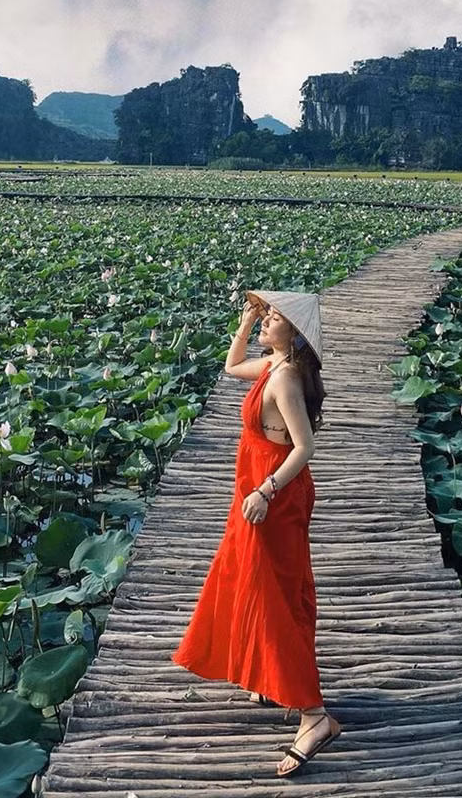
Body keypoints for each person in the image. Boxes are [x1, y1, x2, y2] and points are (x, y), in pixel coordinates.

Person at [172, 289, 341, 777]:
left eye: (274, 317)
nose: (267, 321)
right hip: (256, 487)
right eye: (267, 315)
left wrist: (265, 492)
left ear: (296, 334)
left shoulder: (285, 378)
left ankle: (314, 716)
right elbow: (231, 367)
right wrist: (246, 323)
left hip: (273, 494)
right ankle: (268, 676)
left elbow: (304, 447)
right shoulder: (272, 365)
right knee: (246, 579)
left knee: (275, 597)